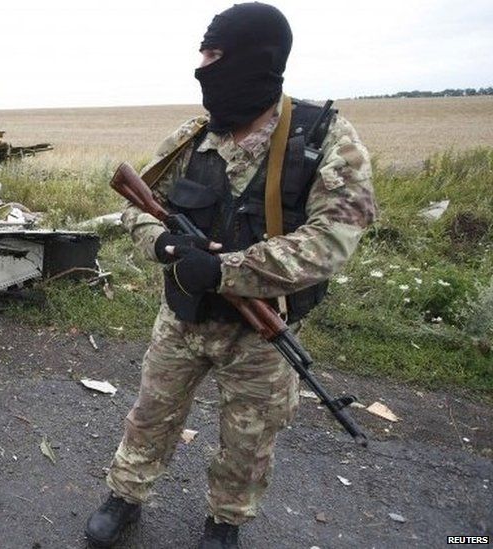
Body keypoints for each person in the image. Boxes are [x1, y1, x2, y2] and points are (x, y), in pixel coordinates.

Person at [84, 3, 377, 548]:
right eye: (202, 54)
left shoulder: (325, 138)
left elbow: (334, 241)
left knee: (248, 440)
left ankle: (225, 521)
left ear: (257, 60)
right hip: (182, 318)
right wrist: (165, 244)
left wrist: (224, 270)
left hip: (261, 332)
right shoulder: (193, 136)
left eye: (215, 55)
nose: (203, 68)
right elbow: (136, 207)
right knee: (150, 416)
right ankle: (125, 496)